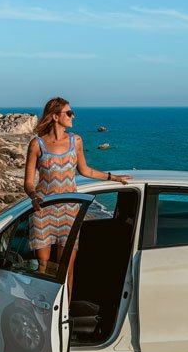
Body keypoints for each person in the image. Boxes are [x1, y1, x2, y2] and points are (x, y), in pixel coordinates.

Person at [24, 97, 130, 301]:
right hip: (43, 210)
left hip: (70, 212)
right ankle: (42, 309)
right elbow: (28, 182)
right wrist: (33, 195)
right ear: (55, 116)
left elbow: (85, 170)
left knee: (66, 270)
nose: (73, 116)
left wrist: (113, 177)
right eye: (69, 113)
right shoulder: (37, 145)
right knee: (43, 268)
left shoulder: (76, 141)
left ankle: (65, 313)